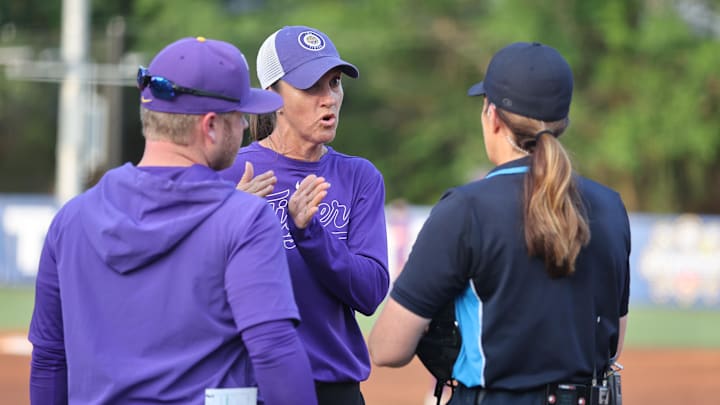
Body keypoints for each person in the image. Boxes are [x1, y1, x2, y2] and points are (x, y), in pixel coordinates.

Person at [28, 36, 317, 405]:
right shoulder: (243, 219)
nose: (246, 126)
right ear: (211, 126)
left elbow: (51, 360)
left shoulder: (71, 218)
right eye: (239, 116)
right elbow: (275, 352)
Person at [368, 42, 630, 405]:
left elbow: (387, 348)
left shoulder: (465, 209)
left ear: (491, 115)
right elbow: (612, 345)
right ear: (563, 122)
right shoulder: (610, 206)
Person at [220, 25, 389, 405]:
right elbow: (191, 290)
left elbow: (370, 292)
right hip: (248, 389)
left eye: (334, 83)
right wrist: (227, 225)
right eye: (311, 86)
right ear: (271, 98)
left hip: (331, 390)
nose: (328, 99)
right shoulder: (230, 172)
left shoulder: (358, 177)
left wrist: (310, 232)